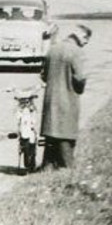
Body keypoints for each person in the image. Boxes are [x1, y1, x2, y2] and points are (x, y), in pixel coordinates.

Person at [40, 23, 91, 169]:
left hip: (50, 99)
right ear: (81, 36)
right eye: (86, 39)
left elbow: (43, 75)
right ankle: (67, 168)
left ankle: (48, 167)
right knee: (65, 134)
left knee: (51, 133)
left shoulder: (53, 49)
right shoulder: (77, 52)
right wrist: (79, 88)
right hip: (67, 99)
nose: (85, 43)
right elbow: (80, 77)